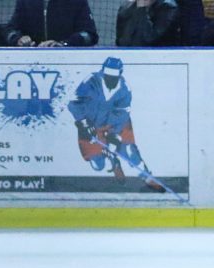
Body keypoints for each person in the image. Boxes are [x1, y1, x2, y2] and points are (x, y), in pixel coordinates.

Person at [67, 57, 163, 191]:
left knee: (129, 150)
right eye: (107, 75)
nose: (110, 79)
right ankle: (111, 158)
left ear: (120, 74)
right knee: (97, 165)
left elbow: (122, 114)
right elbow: (73, 103)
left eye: (114, 76)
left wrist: (114, 135)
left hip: (117, 123)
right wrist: (83, 122)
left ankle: (147, 177)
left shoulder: (125, 89)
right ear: (102, 72)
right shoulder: (90, 81)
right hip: (90, 124)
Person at [1, 0, 99, 46]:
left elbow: (90, 35)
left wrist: (64, 44)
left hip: (69, 62)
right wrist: (18, 39)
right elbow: (9, 30)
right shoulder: (26, 2)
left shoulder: (77, 2)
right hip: (32, 62)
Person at [116, 0, 182, 46]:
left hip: (158, 60)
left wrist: (142, 9)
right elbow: (122, 42)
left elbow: (146, 40)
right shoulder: (125, 10)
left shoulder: (168, 8)